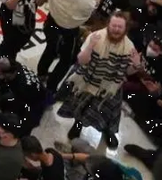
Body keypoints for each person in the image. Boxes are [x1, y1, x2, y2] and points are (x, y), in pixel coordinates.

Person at [55, 12, 138, 148]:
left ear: (125, 29)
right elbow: (81, 60)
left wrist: (136, 65)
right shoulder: (95, 37)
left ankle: (109, 131)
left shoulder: (129, 47)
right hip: (89, 79)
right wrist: (90, 46)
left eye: (120, 27)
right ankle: (78, 124)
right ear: (108, 24)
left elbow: (127, 72)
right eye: (114, 25)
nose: (116, 29)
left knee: (110, 112)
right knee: (81, 105)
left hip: (110, 85)